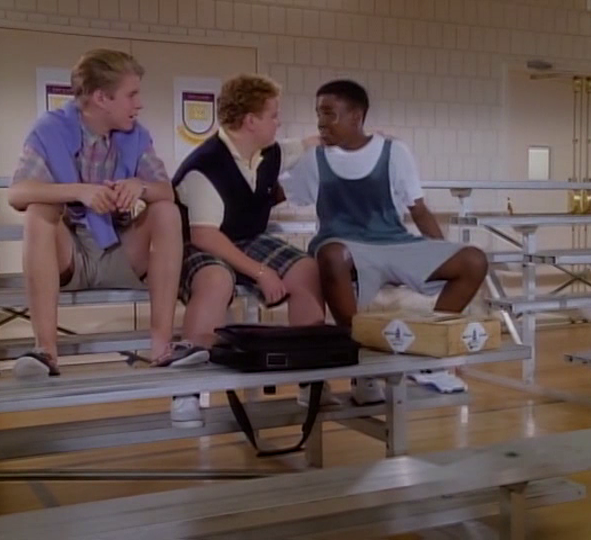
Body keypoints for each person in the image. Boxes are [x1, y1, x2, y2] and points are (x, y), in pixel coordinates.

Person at [285, 79, 489, 403]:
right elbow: (276, 193)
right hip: (344, 247)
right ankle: (360, 362)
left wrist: (439, 250)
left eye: (329, 113)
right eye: (318, 114)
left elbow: (418, 209)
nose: (321, 123)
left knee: (474, 260)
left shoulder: (394, 152)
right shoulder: (314, 159)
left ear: (356, 116)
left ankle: (427, 351)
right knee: (332, 255)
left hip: (393, 244)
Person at [8, 49, 206, 379]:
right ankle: (46, 352)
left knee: (167, 212)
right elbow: (17, 194)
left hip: (120, 249)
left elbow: (166, 191)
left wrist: (140, 186)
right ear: (101, 97)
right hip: (70, 255)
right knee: (38, 210)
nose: (139, 104)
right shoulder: (50, 129)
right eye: (132, 94)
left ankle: (161, 347)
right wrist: (79, 191)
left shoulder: (136, 135)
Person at [171, 74, 339, 428]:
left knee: (307, 269)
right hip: (198, 241)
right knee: (216, 281)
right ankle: (186, 391)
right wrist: (261, 273)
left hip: (246, 237)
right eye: (273, 115)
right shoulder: (204, 166)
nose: (278, 122)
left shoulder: (270, 153)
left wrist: (369, 138)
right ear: (250, 121)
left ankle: (310, 379)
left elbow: (307, 144)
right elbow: (205, 236)